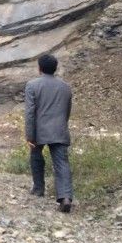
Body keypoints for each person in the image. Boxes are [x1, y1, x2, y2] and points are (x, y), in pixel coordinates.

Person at [24, 54, 74, 213]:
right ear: (55, 68)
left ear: (39, 68)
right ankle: (65, 198)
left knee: (36, 156)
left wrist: (29, 135)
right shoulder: (65, 87)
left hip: (39, 130)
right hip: (59, 129)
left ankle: (38, 188)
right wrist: (62, 125)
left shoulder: (32, 85)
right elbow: (67, 110)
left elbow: (30, 113)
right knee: (62, 163)